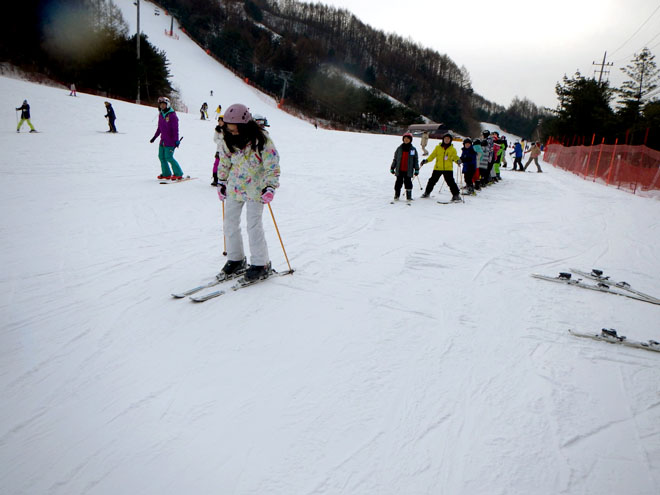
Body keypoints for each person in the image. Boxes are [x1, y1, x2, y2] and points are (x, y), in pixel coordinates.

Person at [216, 103, 280, 282]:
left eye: (234, 128)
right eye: (229, 128)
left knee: (253, 225)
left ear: (244, 125)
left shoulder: (261, 140)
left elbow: (272, 163)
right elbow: (224, 161)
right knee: (229, 223)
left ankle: (261, 263)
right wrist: (221, 181)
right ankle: (236, 260)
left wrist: (270, 186)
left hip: (256, 189)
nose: (231, 131)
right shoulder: (228, 139)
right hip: (235, 187)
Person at [150, 96, 185, 180]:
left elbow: (175, 129)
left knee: (169, 157)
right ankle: (166, 173)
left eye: (164, 104)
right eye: (161, 104)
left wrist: (176, 140)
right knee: (161, 157)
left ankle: (178, 173)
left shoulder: (172, 115)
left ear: (168, 104)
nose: (162, 106)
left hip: (170, 141)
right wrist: (154, 137)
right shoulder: (161, 114)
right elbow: (159, 128)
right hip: (163, 140)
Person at [420, 133, 461, 201]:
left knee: (451, 182)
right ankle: (427, 193)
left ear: (450, 140)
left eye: (448, 139)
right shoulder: (438, 148)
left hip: (448, 169)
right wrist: (426, 160)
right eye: (445, 138)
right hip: (438, 168)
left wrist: (458, 161)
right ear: (443, 139)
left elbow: (455, 157)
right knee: (432, 181)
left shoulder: (452, 149)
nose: (446, 140)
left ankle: (456, 195)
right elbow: (432, 156)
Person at [390, 132, 420, 202]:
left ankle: (409, 196)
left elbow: (415, 160)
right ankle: (396, 195)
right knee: (398, 183)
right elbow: (395, 159)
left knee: (408, 183)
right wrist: (392, 167)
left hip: (408, 170)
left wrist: (416, 169)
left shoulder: (413, 149)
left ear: (410, 140)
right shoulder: (399, 148)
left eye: (408, 138)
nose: (406, 140)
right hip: (399, 170)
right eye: (405, 138)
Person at [211, 115, 225, 186]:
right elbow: (215, 139)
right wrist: (221, 142)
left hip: (227, 151)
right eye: (219, 121)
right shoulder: (218, 129)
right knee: (216, 164)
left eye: (221, 121)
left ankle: (224, 179)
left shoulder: (229, 129)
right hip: (219, 150)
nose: (220, 122)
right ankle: (215, 178)